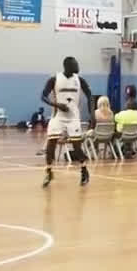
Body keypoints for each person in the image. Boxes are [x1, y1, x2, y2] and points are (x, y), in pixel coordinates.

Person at [40, 56, 93, 187]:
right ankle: (49, 171)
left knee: (77, 146)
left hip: (73, 117)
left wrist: (91, 113)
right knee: (51, 143)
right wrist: (56, 104)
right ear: (68, 66)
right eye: (76, 64)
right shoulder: (54, 79)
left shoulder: (80, 80)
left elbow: (90, 95)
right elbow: (43, 96)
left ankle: (84, 170)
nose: (78, 66)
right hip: (58, 116)